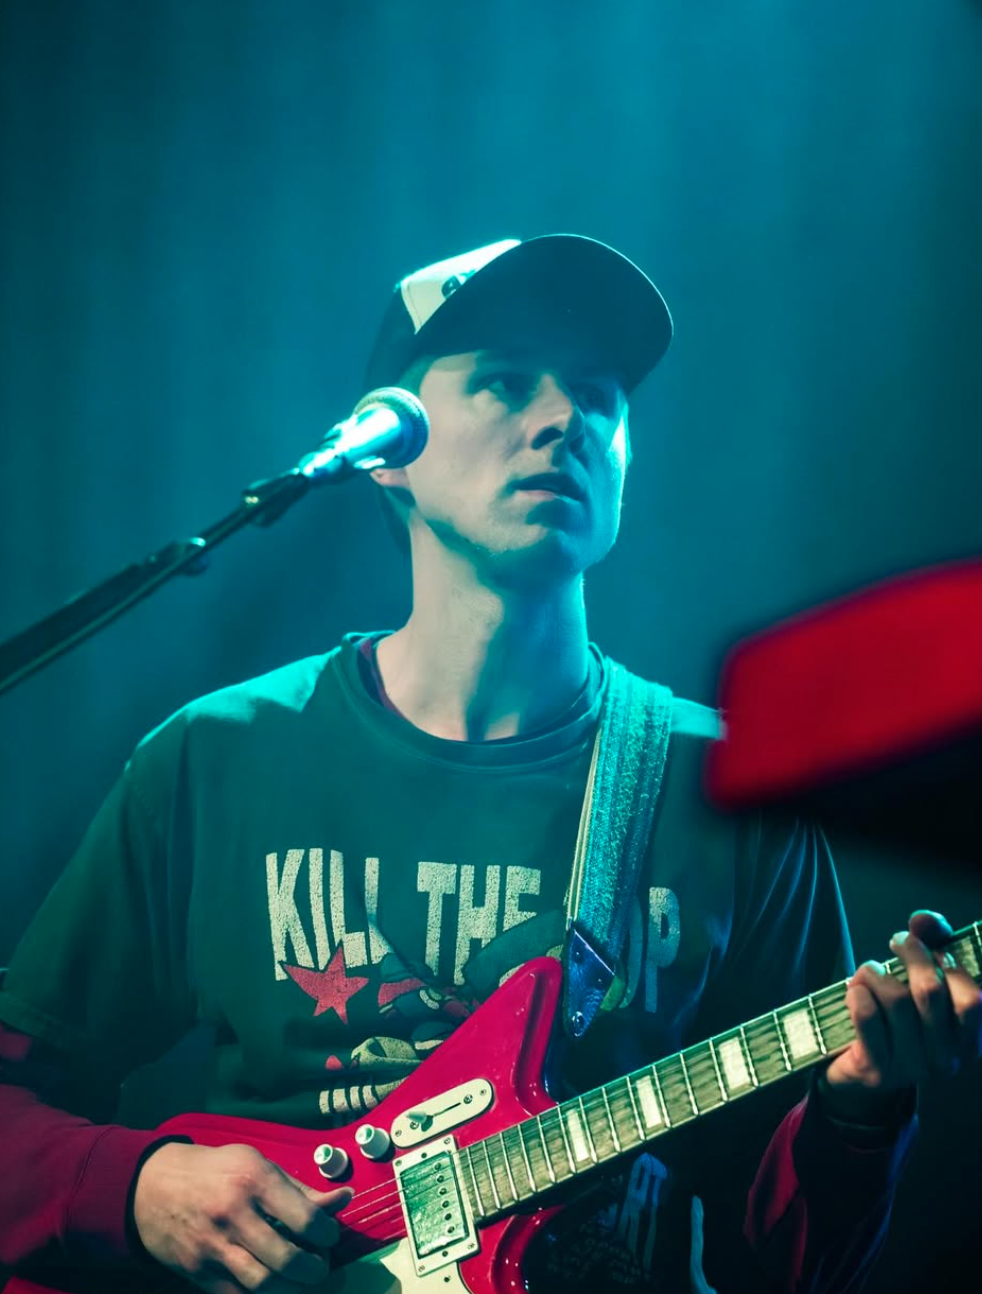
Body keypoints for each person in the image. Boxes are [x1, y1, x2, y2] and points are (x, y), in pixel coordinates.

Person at [0, 234, 978, 1294]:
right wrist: (136, 1183)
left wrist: (859, 1108)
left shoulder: (735, 789)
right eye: (506, 382)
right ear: (384, 447)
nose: (563, 419)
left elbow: (787, 1266)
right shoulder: (215, 756)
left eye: (598, 397)